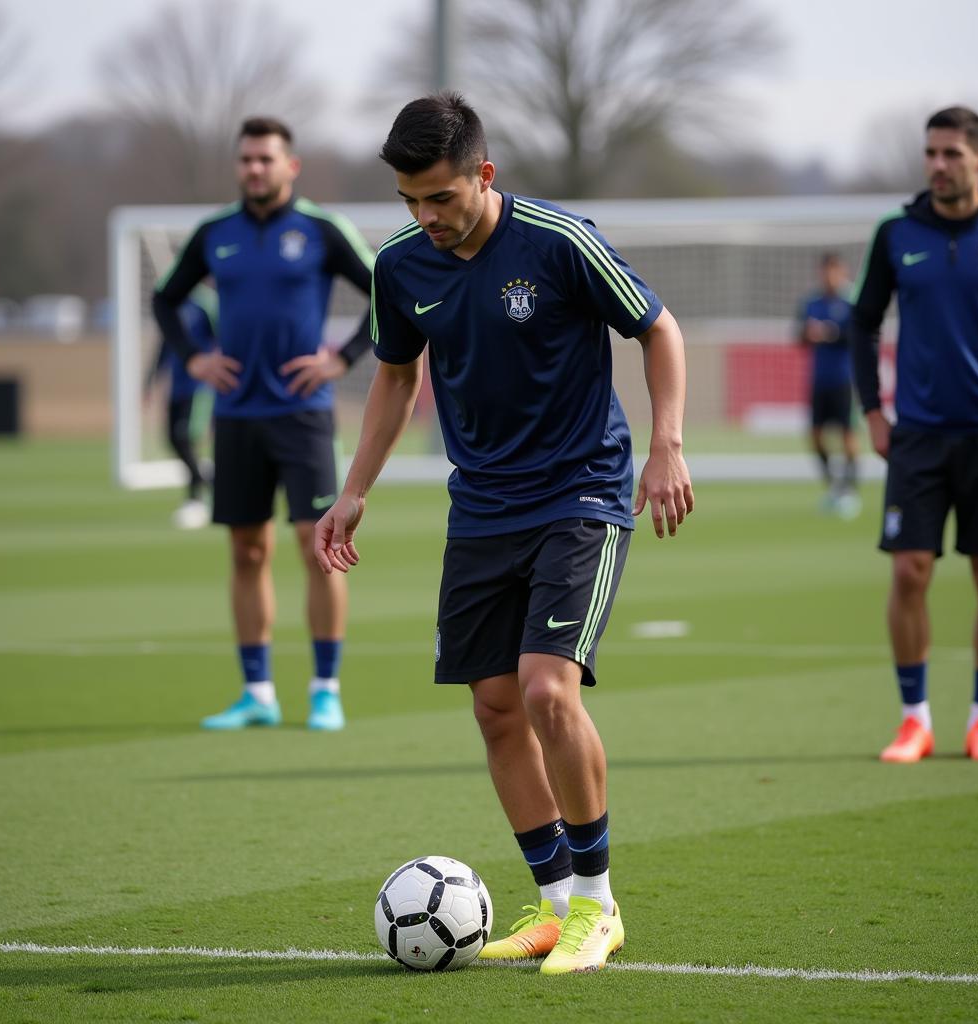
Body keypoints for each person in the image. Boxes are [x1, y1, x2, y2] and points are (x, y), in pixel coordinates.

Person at [314, 93, 693, 974]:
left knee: (547, 692)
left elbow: (658, 328)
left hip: (582, 494)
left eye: (440, 198)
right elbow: (395, 380)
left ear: (484, 175)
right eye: (410, 201)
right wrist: (354, 489)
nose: (425, 218)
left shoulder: (560, 242)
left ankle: (600, 908)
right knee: (493, 708)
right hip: (481, 506)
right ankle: (556, 908)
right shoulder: (400, 266)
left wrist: (667, 445)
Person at [152, 116, 375, 732]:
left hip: (303, 416)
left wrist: (342, 358)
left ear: (290, 166)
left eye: (266, 159)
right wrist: (195, 357)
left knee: (317, 546)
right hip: (235, 417)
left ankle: (325, 688)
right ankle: (258, 693)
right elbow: (164, 298)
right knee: (247, 551)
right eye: (246, 159)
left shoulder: (322, 230)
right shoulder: (214, 233)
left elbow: (389, 289)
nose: (254, 168)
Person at [850, 105, 978, 764]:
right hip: (918, 437)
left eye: (951, 155)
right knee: (910, 572)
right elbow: (862, 325)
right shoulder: (895, 234)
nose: (938, 166)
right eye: (931, 154)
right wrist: (874, 413)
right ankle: (915, 720)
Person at [145, 287, 217, 530]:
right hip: (177, 386)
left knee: (186, 436)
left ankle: (196, 498)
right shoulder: (173, 304)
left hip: (201, 386)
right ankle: (209, 479)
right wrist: (150, 381)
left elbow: (223, 339)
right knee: (172, 440)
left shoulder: (206, 304)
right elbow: (166, 345)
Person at [796, 252, 861, 518]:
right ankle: (834, 487)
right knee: (815, 437)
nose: (829, 277)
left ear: (842, 273)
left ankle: (850, 491)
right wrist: (808, 333)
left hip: (843, 380)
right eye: (825, 271)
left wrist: (829, 332)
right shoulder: (812, 303)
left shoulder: (851, 302)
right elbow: (798, 336)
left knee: (847, 437)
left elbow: (857, 335)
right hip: (819, 380)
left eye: (834, 271)